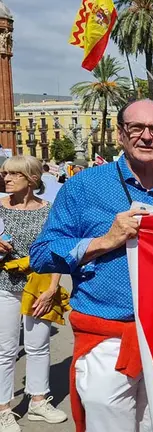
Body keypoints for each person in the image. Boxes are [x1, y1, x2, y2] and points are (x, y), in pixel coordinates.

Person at [29, 99, 153, 432]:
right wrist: (105, 240)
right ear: (120, 135)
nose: (146, 136)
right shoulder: (83, 187)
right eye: (136, 128)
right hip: (107, 342)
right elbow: (41, 254)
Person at [0, 156, 67, 431]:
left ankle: (38, 401)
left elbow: (56, 252)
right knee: (4, 351)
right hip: (4, 286)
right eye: (5, 173)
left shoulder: (48, 210)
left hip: (39, 287)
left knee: (38, 347)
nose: (6, 178)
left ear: (32, 179)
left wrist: (52, 288)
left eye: (14, 174)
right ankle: (3, 408)